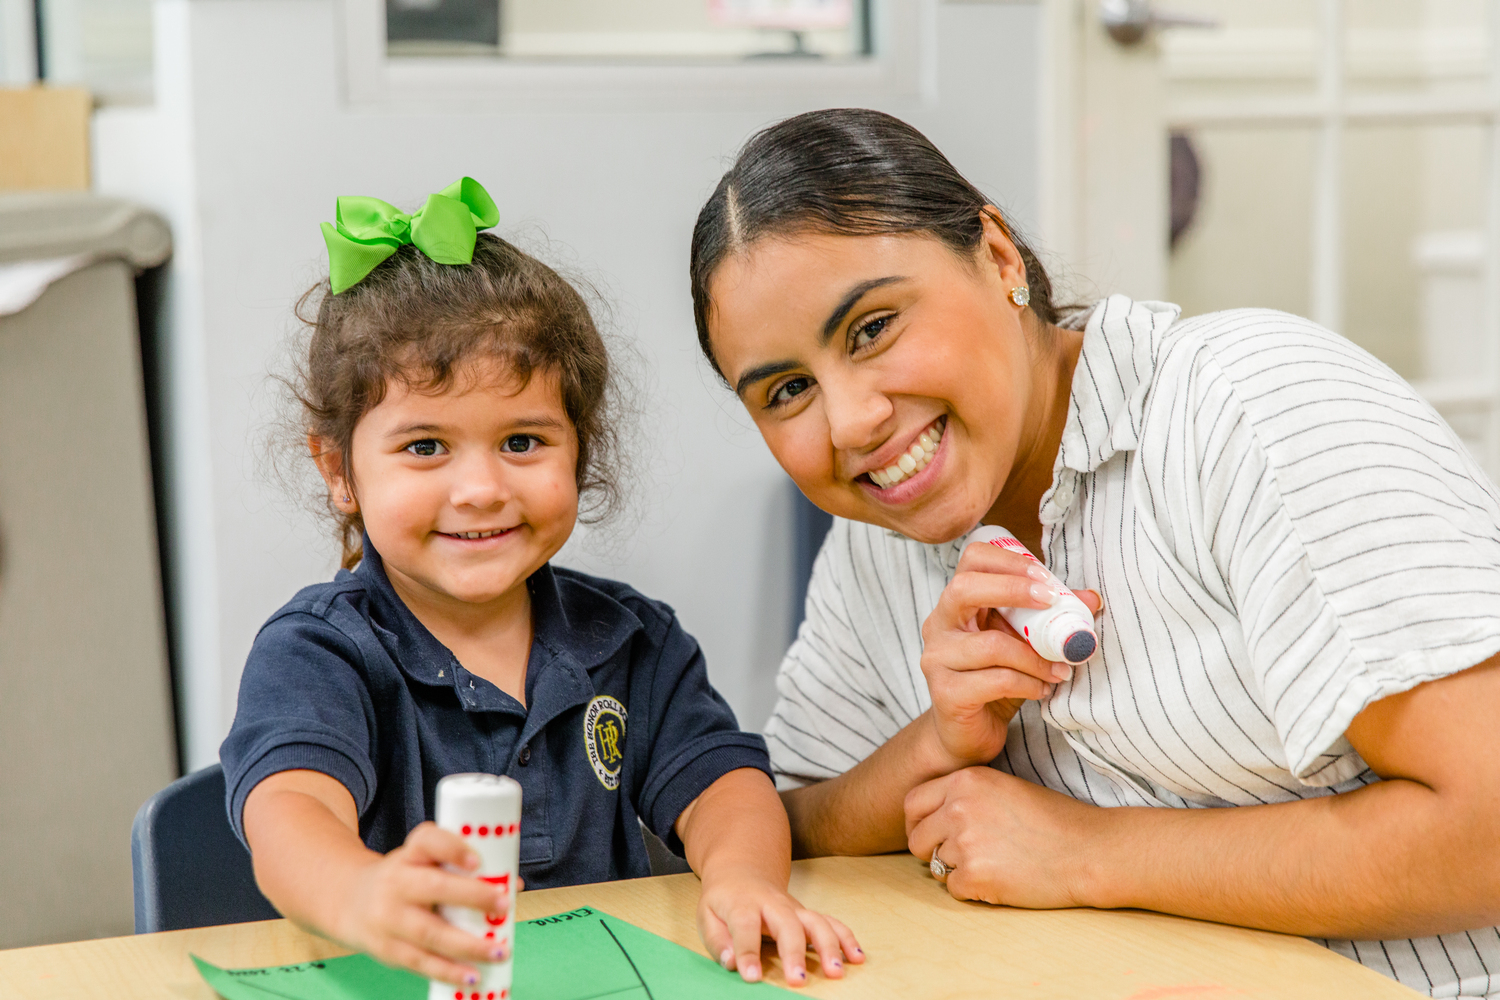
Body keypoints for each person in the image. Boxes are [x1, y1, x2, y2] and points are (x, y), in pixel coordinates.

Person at [689, 109, 1500, 998]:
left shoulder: (1250, 409)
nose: (852, 424)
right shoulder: (876, 536)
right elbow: (795, 822)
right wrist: (938, 742)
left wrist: (1085, 853)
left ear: (998, 257)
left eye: (874, 327)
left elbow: (1486, 825)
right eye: (789, 390)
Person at [220, 178, 861, 989]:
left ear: (579, 452)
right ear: (337, 470)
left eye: (523, 441)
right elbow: (291, 814)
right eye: (425, 447)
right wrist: (361, 895)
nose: (482, 488)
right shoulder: (319, 651)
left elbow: (723, 786)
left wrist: (744, 880)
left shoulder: (634, 641)